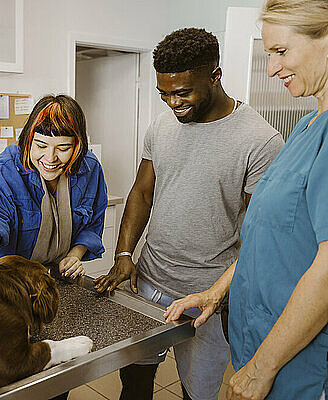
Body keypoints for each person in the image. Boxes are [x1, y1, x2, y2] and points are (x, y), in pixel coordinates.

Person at [93, 28, 284, 400]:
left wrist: (219, 293)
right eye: (164, 93)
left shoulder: (260, 141)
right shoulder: (162, 125)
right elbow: (142, 192)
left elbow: (260, 236)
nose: (172, 103)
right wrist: (123, 254)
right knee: (134, 383)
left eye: (182, 93)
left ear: (215, 77)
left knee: (196, 393)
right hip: (147, 280)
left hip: (207, 296)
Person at [164, 1, 328, 399]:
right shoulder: (307, 127)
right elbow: (266, 240)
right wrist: (216, 291)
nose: (271, 69)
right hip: (258, 338)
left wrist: (260, 368)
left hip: (296, 363)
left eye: (281, 51)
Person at [0, 94, 107, 280]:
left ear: (77, 146)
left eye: (63, 149)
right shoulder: (6, 170)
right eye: (41, 146)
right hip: (13, 280)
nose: (50, 158)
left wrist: (74, 256)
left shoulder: (89, 168)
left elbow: (93, 224)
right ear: (29, 140)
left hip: (58, 277)